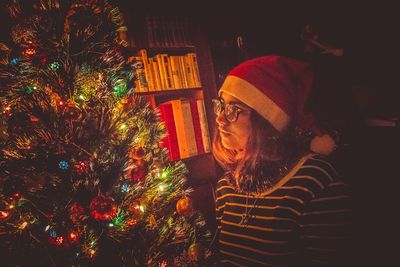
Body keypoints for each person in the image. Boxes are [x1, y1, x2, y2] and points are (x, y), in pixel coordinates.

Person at [211, 56, 352, 266]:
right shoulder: (227, 186)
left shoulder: (314, 182)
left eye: (234, 109)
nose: (220, 118)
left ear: (266, 120)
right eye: (221, 106)